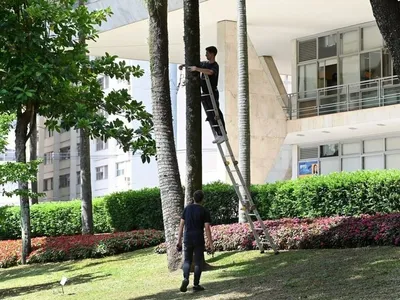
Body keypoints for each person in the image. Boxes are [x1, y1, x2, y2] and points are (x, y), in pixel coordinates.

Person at [179, 46, 227, 144]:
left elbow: (210, 72)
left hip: (212, 92)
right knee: (210, 114)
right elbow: (194, 65)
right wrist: (184, 65)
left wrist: (197, 69)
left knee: (216, 112)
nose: (206, 55)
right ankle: (218, 133)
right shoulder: (205, 64)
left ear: (212, 54)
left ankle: (223, 133)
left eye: (207, 53)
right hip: (205, 93)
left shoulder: (214, 65)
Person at [176, 190, 214, 293]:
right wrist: (211, 243)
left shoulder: (187, 209)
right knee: (198, 261)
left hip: (187, 237)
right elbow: (207, 228)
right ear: (202, 199)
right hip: (198, 237)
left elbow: (181, 226)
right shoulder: (204, 211)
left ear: (193, 198)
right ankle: (196, 284)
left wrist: (179, 240)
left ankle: (185, 278)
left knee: (187, 260)